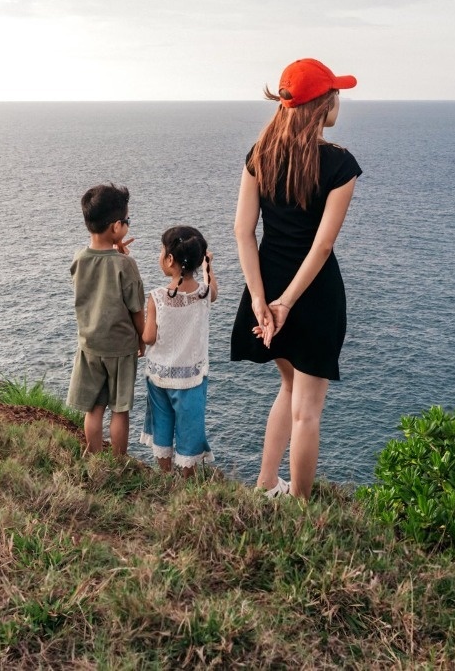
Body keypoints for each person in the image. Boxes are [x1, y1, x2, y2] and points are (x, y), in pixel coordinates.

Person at [231, 58, 361, 499]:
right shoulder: (340, 165)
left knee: (288, 385)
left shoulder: (259, 154)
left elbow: (243, 231)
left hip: (266, 284)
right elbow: (321, 247)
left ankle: (266, 484)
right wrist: (286, 303)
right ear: (323, 104)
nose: (339, 100)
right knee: (308, 410)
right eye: (336, 94)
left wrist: (259, 299)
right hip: (314, 293)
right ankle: (301, 508)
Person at [67, 183, 145, 456]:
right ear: (116, 227)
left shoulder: (79, 259)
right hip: (121, 347)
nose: (127, 226)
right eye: (127, 221)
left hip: (90, 345)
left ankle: (94, 456)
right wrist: (142, 340)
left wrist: (115, 252)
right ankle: (118, 461)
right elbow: (136, 308)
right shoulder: (125, 265)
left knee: (94, 409)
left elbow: (95, 284)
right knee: (120, 410)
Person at [139, 226, 220, 476]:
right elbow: (213, 291)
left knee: (162, 425)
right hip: (191, 378)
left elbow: (149, 337)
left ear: (170, 259)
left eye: (162, 251)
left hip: (159, 375)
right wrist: (208, 267)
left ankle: (164, 474)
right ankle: (187, 477)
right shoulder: (204, 294)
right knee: (189, 428)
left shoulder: (157, 297)